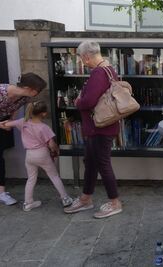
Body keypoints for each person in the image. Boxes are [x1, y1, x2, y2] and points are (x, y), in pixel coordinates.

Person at [64, 41, 122, 219]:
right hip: (101, 126)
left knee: (102, 164)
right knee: (90, 163)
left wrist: (77, 102)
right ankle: (85, 198)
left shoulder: (98, 73)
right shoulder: (108, 69)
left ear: (86, 56)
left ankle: (114, 203)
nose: (83, 62)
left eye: (82, 59)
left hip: (100, 127)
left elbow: (88, 102)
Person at [0, 72, 47, 205]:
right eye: (37, 90)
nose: (38, 93)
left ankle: (1, 193)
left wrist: (10, 122)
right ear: (28, 88)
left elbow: (14, 108)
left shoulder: (24, 97)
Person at [4, 101, 73, 211]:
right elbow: (51, 144)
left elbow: (6, 124)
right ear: (44, 114)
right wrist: (56, 150)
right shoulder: (44, 127)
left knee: (31, 178)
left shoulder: (23, 122)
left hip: (29, 155)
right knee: (54, 176)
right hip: (42, 153)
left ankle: (28, 203)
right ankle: (65, 198)